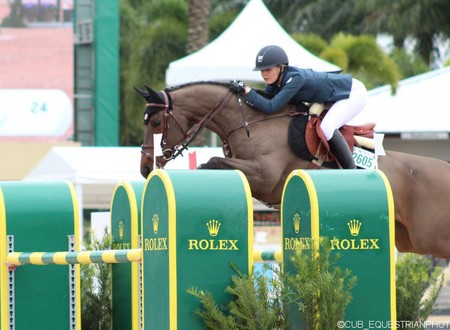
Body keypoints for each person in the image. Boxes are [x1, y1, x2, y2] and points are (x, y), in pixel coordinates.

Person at [230, 45, 368, 169]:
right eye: (261, 71)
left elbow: (270, 107)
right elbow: (265, 97)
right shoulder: (277, 81)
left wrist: (247, 91)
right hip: (333, 97)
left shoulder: (295, 78)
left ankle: (351, 170)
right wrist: (244, 91)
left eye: (268, 69)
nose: (264, 74)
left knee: (327, 127)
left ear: (281, 67)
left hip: (353, 94)